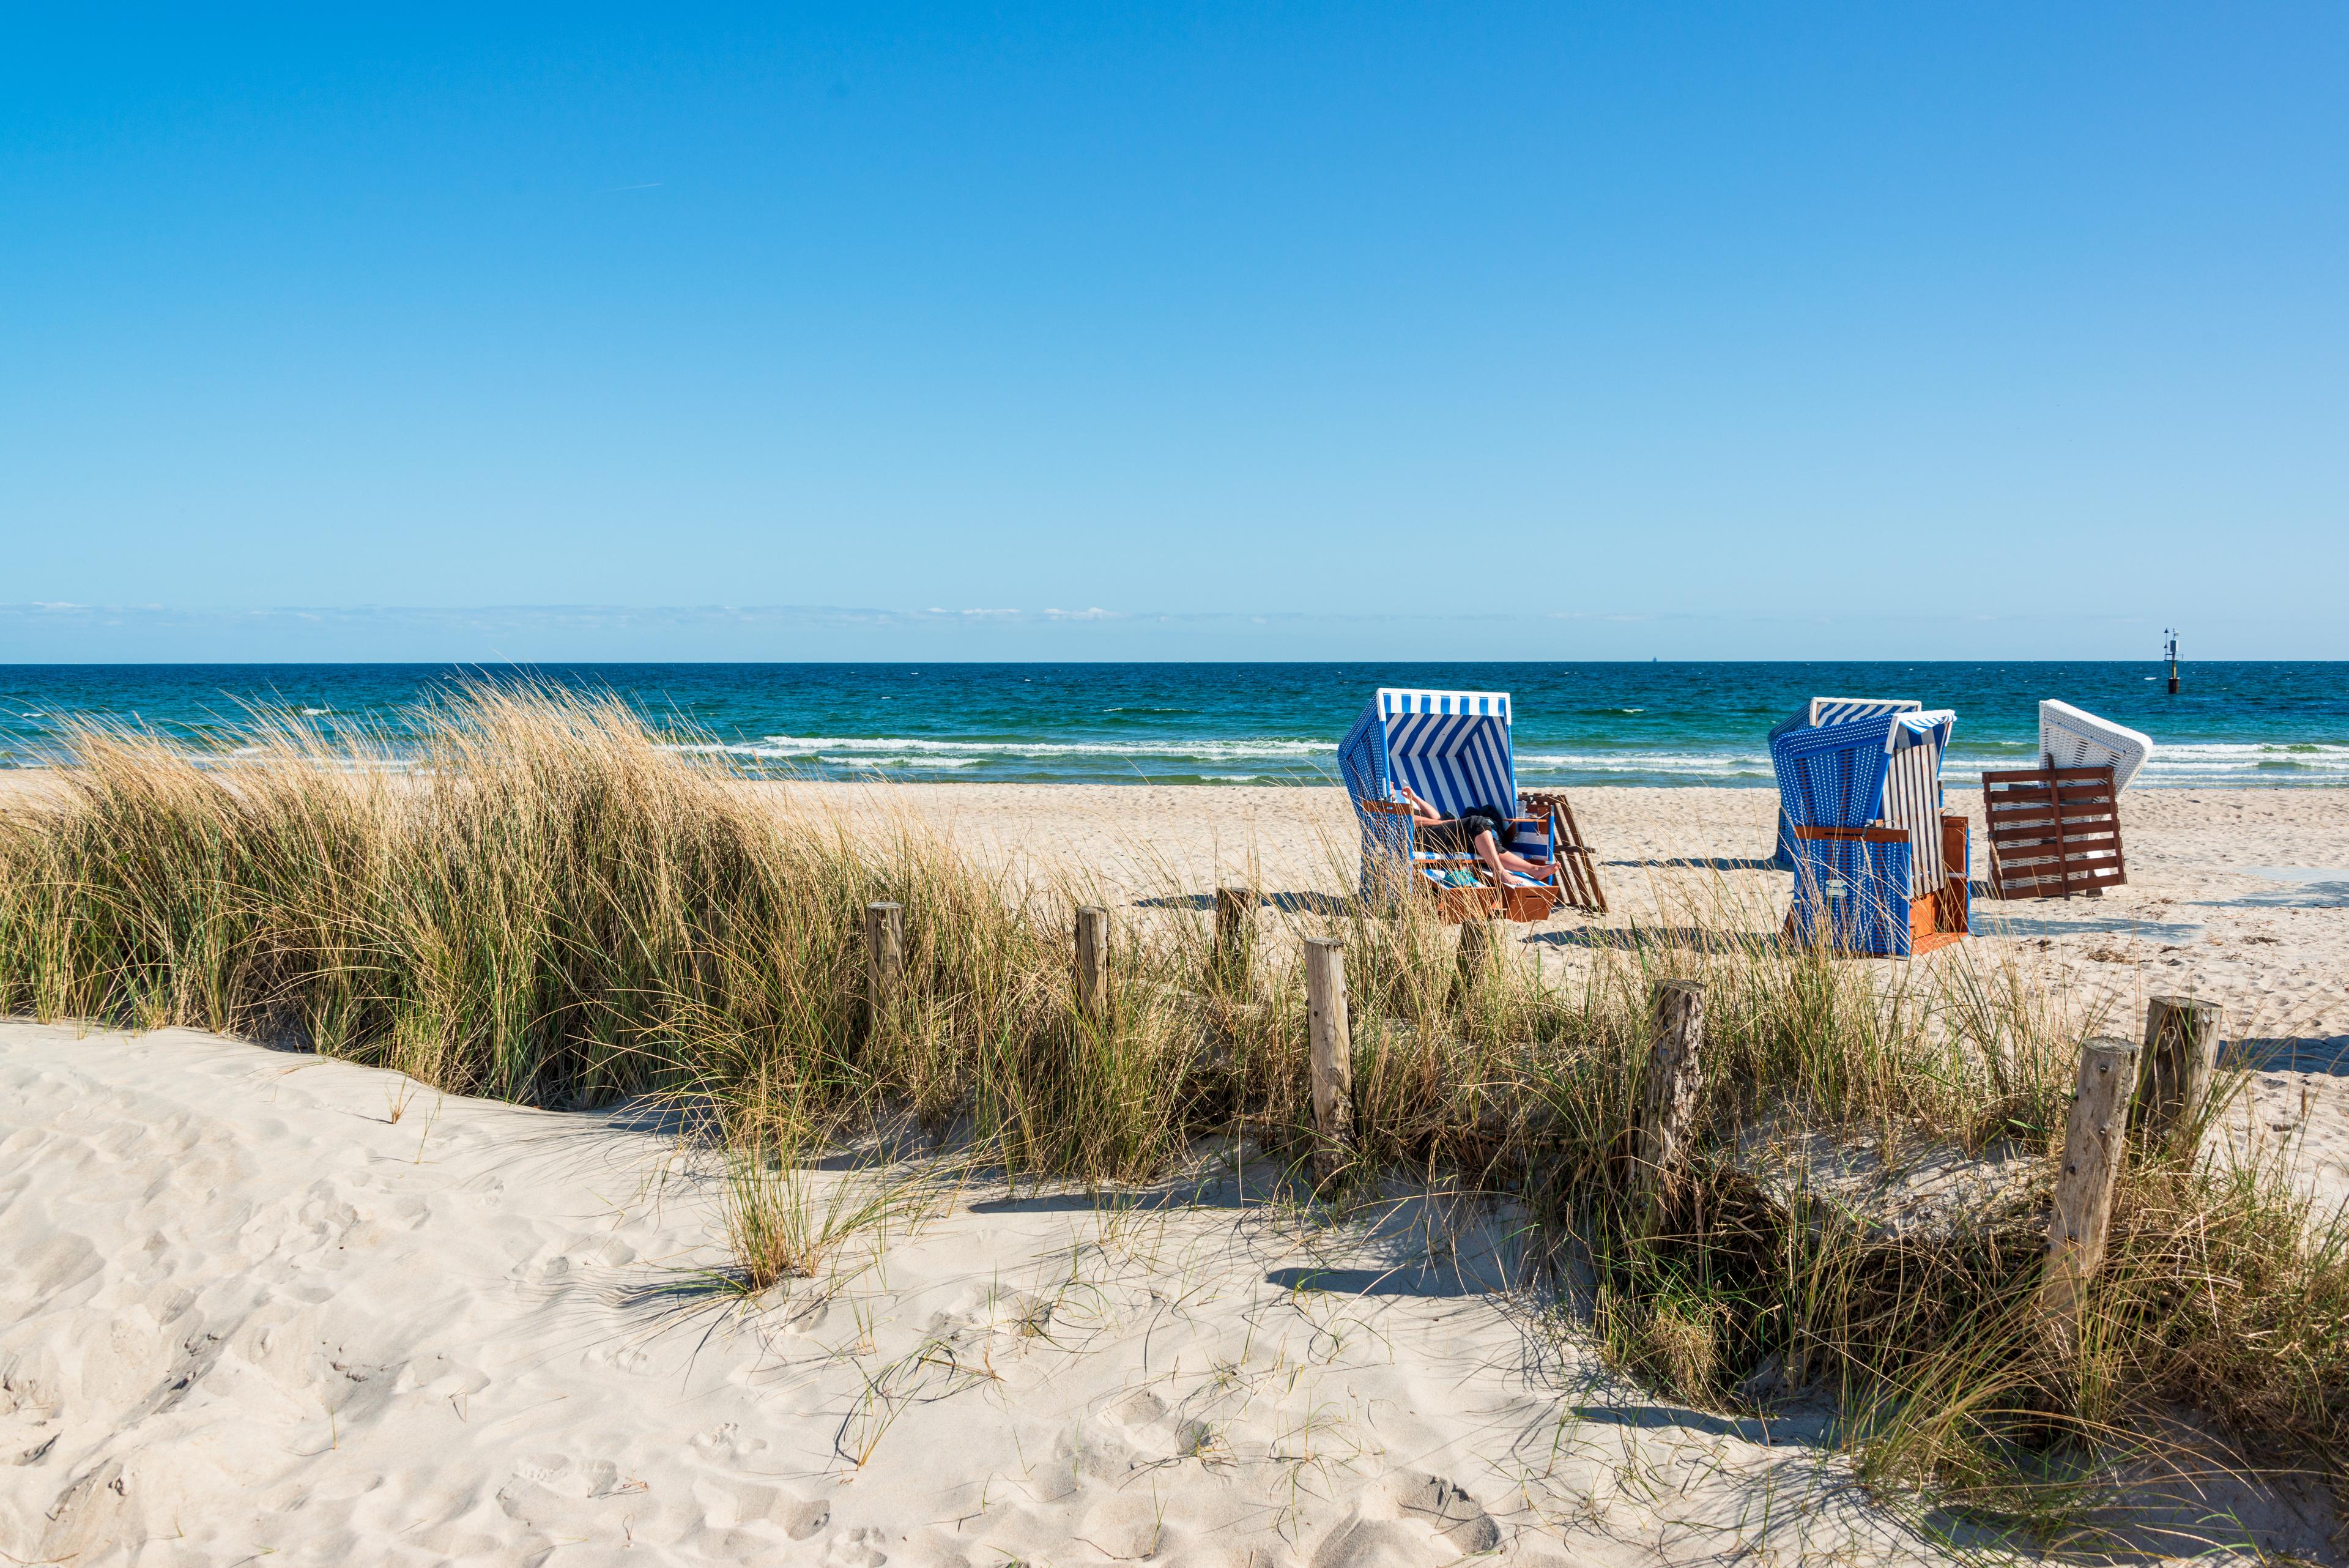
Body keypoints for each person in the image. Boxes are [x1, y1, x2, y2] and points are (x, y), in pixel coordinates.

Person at [1392, 784, 1549, 889]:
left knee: (1484, 840)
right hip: (1420, 839)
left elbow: (1436, 816)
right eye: (1390, 784)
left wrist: (1415, 799)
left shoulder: (1400, 802)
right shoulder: (1388, 806)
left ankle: (1534, 869)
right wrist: (1444, 823)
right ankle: (1500, 872)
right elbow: (1411, 822)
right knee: (1476, 822)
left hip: (1433, 834)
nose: (1392, 785)